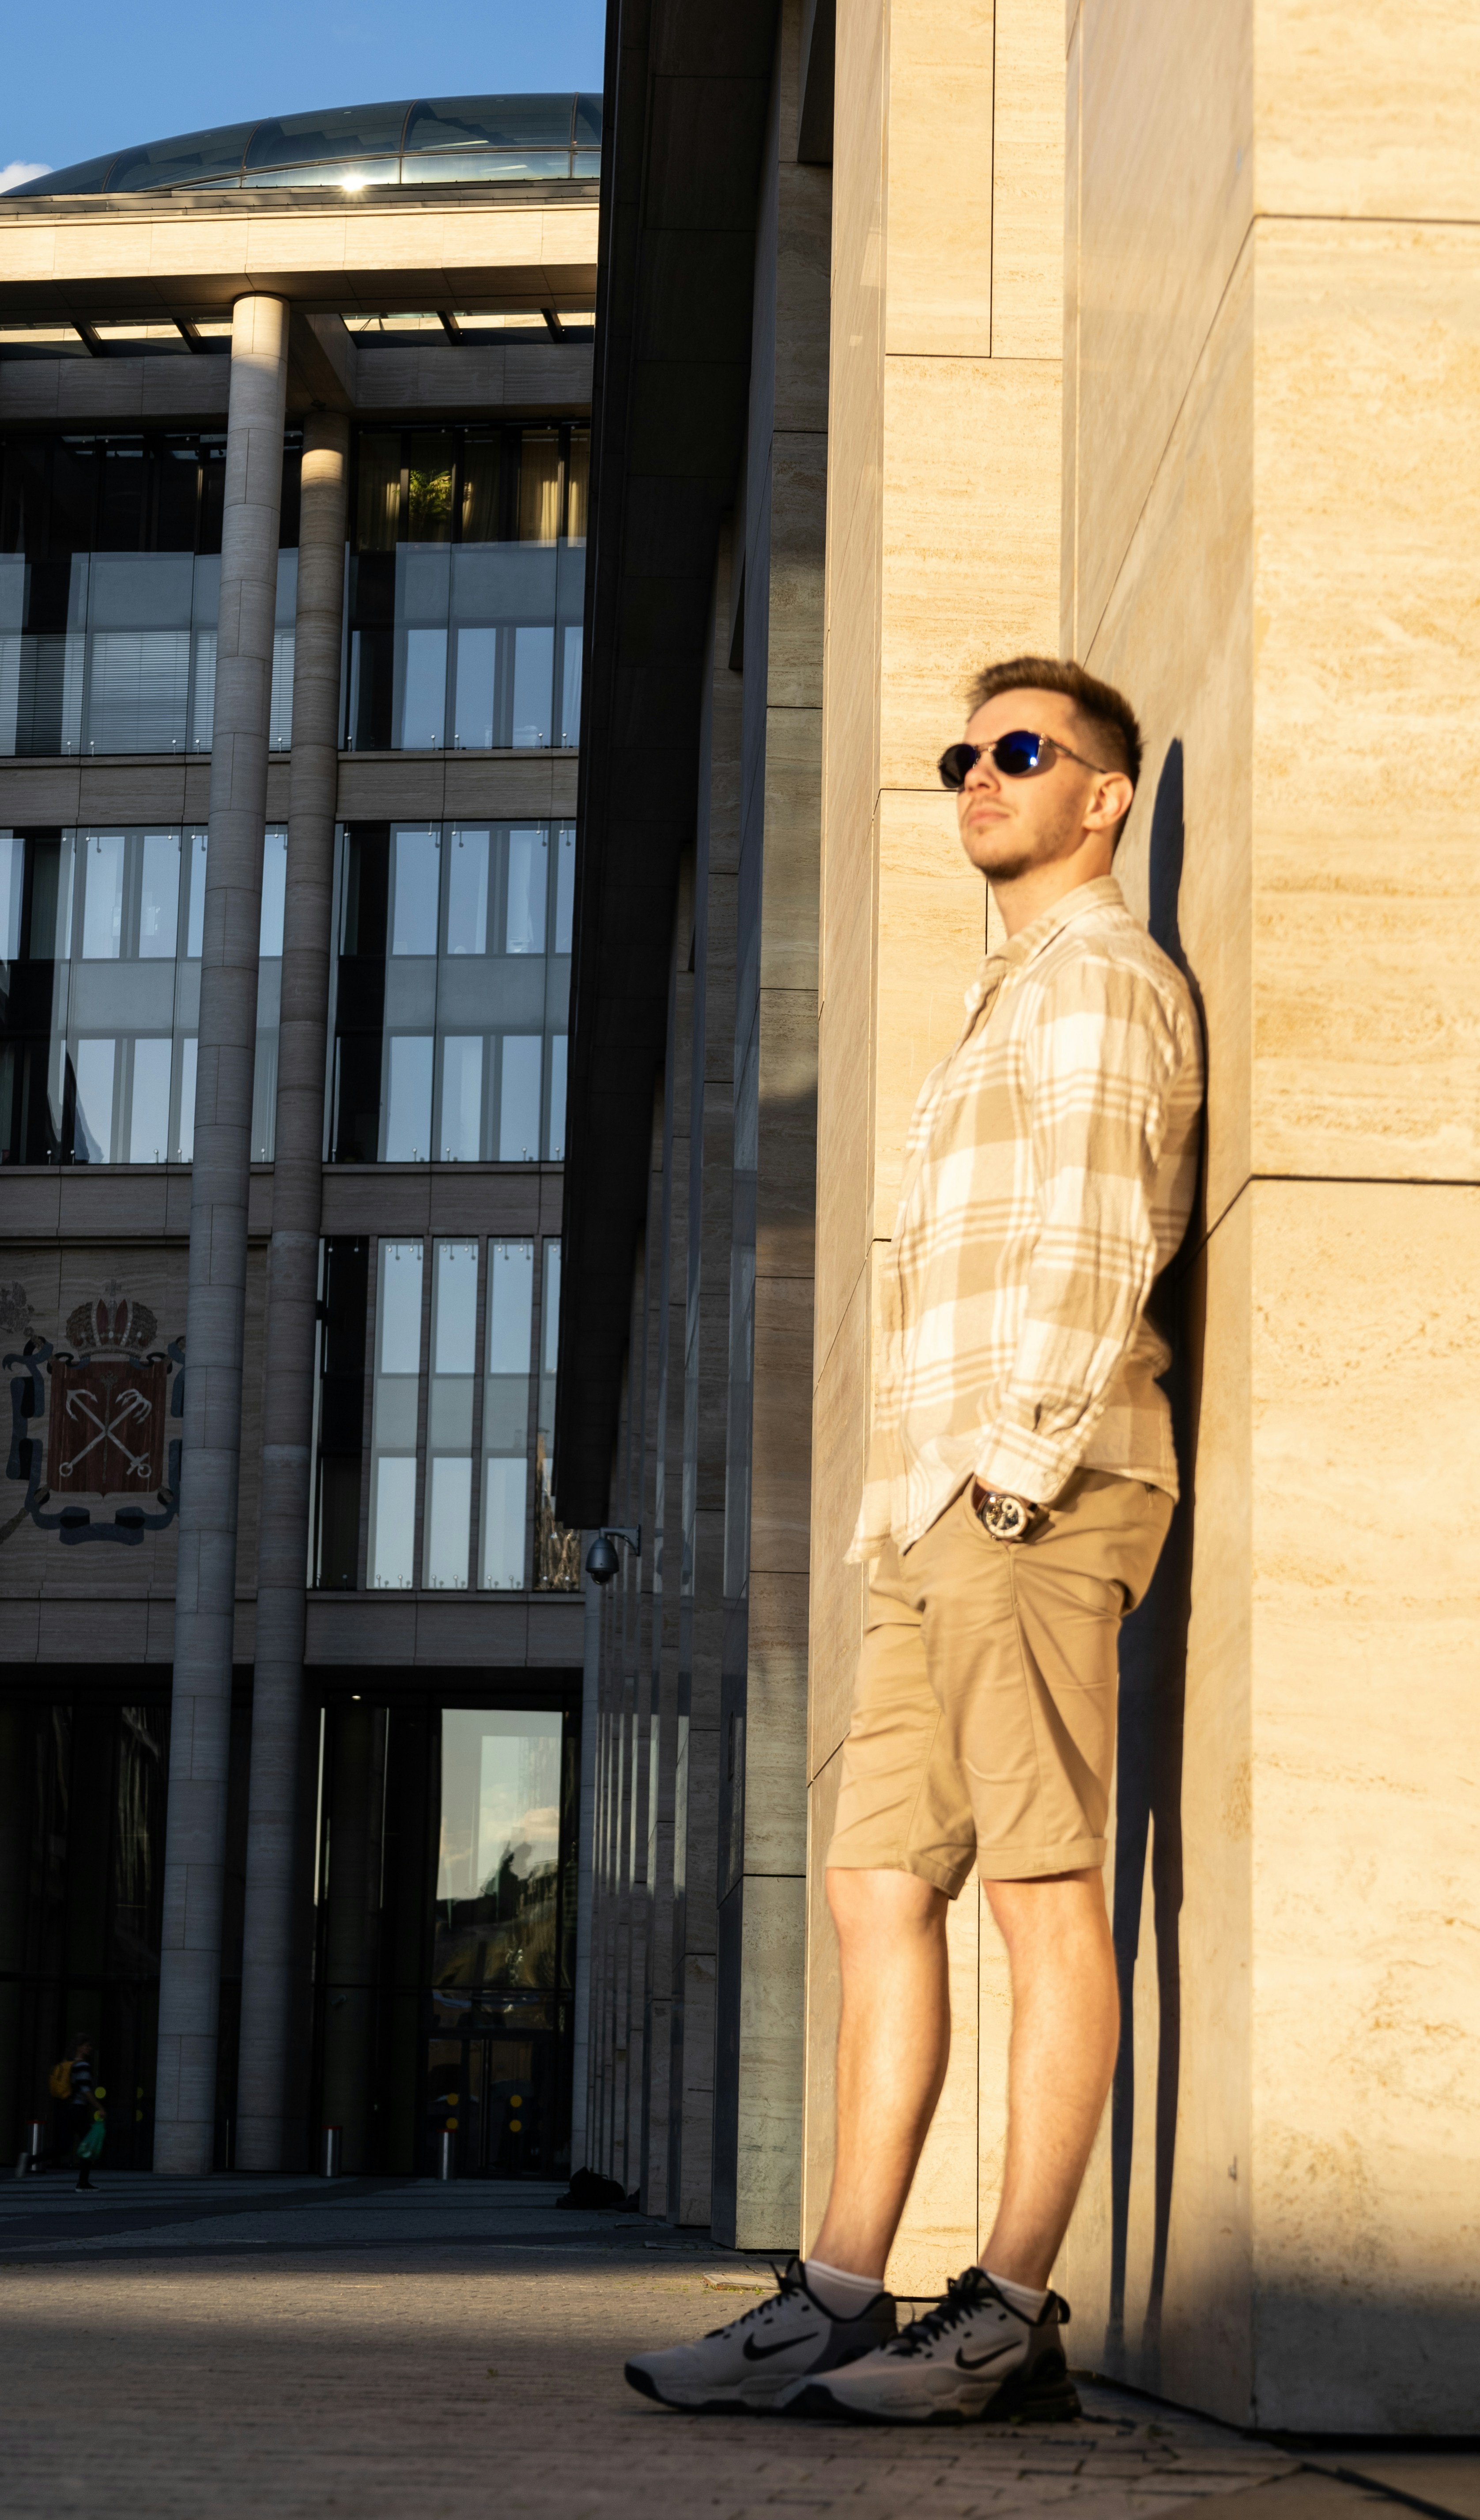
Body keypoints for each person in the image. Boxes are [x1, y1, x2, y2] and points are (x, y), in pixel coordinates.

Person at [626, 657, 1203, 2423]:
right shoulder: (1001, 994)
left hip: (1028, 1492)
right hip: (933, 1507)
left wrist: (1010, 1474)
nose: (977, 774)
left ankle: (1014, 2308)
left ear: (1101, 795)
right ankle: (835, 2290)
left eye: (1019, 752)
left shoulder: (1102, 978)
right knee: (880, 1886)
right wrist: (925, 1496)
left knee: (1041, 1894)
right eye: (963, 752)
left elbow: (1102, 1240)